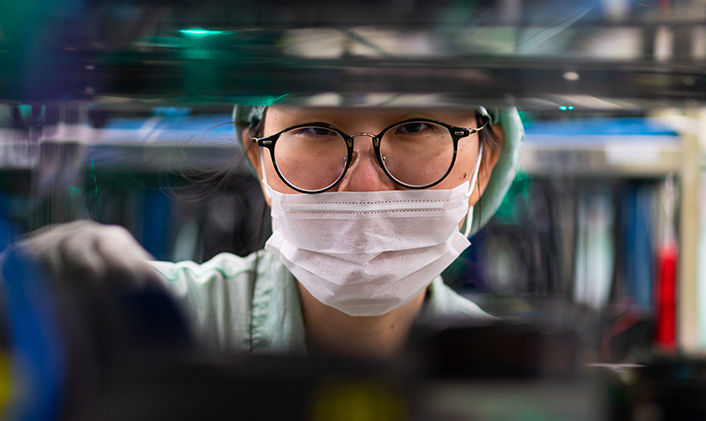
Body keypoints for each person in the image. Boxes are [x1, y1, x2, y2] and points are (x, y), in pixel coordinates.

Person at [15, 100, 524, 358]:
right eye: (317, 129)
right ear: (259, 160)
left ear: (485, 162)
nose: (364, 184)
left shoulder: (519, 375)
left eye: (415, 126)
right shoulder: (154, 323)